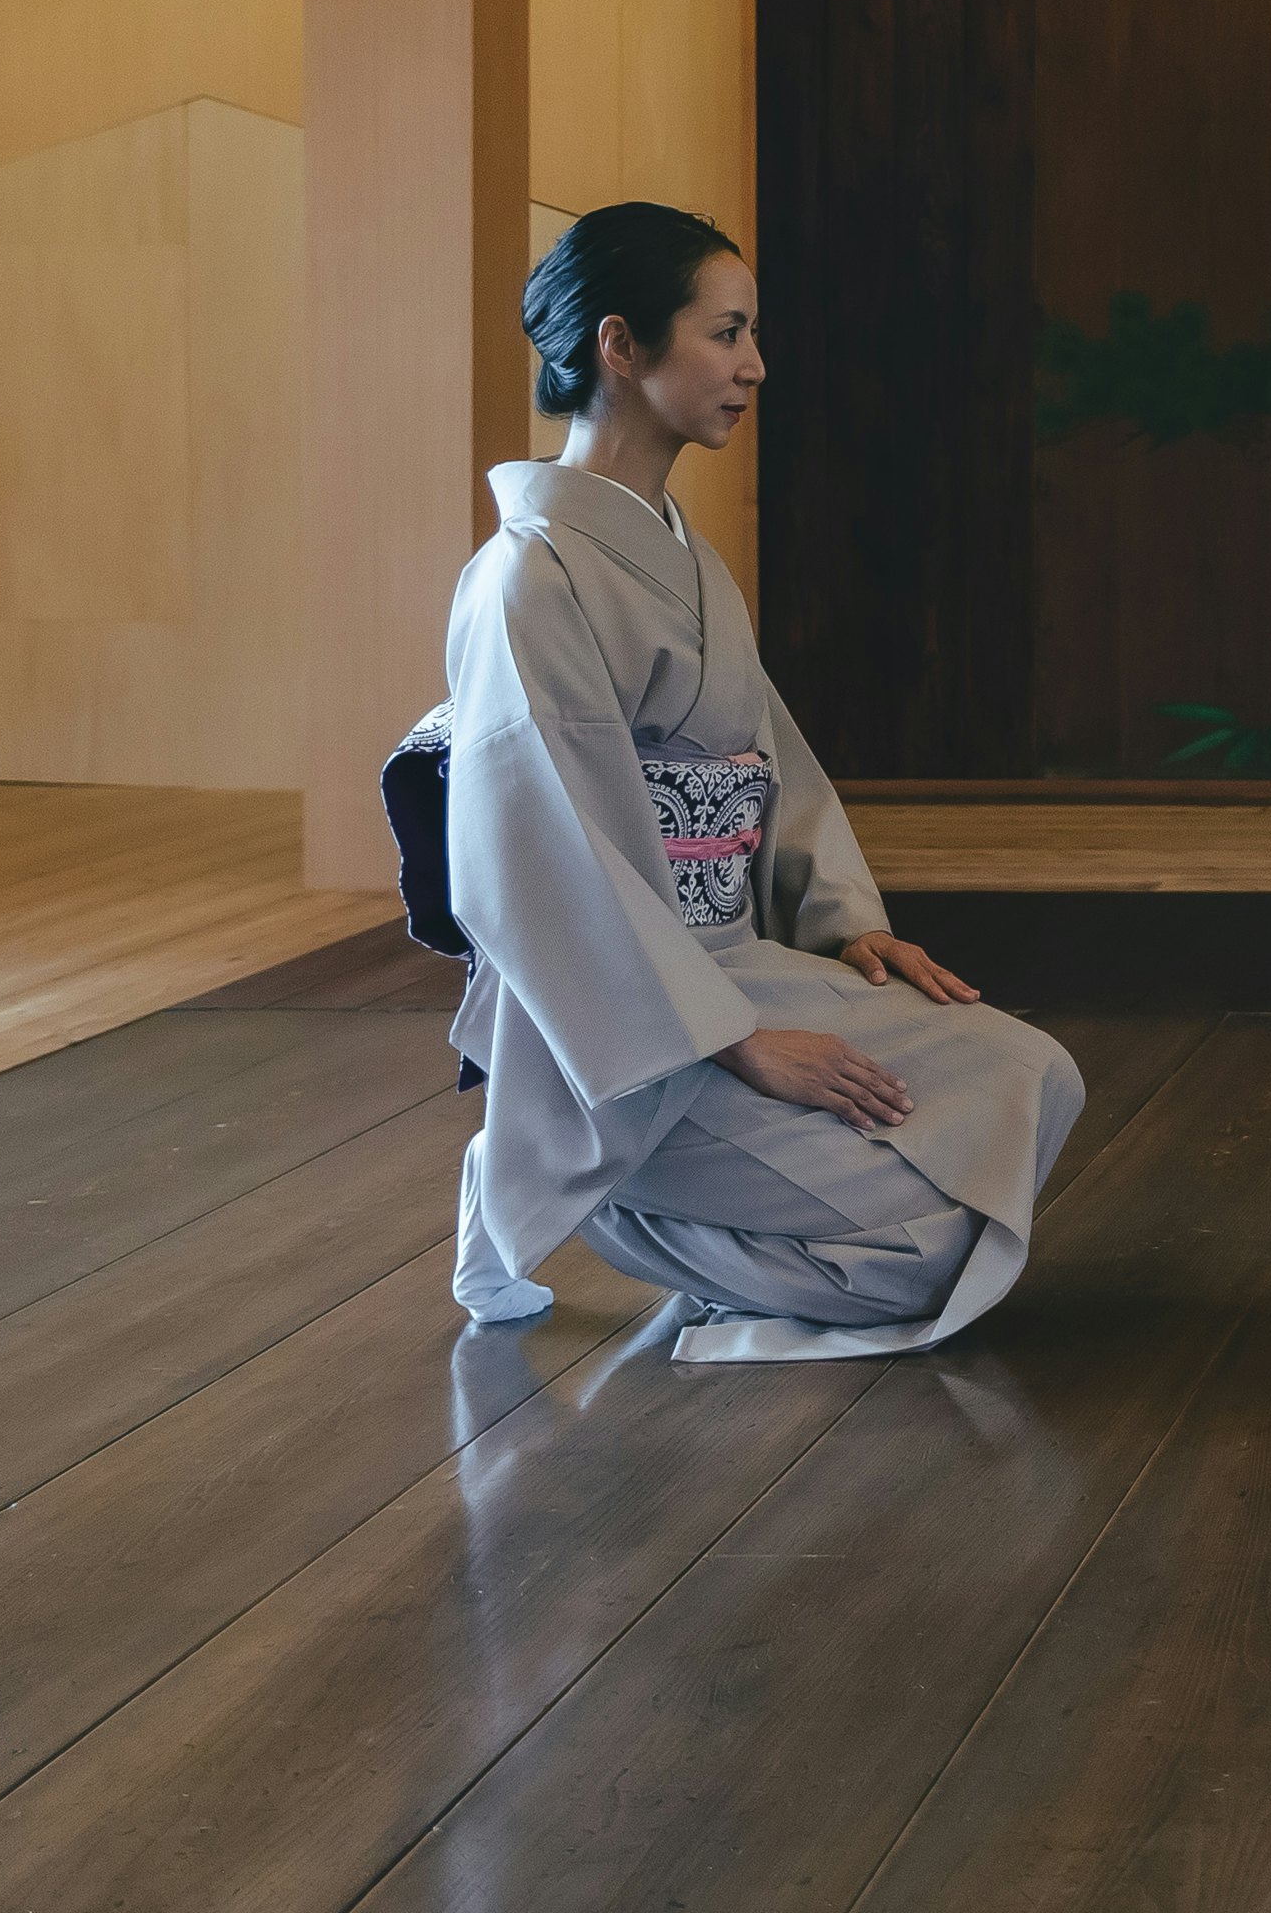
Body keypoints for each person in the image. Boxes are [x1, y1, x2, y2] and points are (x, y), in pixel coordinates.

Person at [437, 202, 1084, 1363]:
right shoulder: (525, 583)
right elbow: (547, 857)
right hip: (625, 1027)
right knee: (927, 1252)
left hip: (733, 963)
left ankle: (667, 1182)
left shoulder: (687, 553)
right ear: (621, 346)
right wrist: (733, 1040)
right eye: (727, 334)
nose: (755, 366)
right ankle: (595, 1190)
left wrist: (842, 929)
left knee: (1030, 1076)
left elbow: (773, 764)